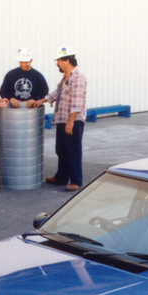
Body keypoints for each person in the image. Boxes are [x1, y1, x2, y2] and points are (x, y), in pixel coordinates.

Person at [28, 46, 87, 191]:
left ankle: (76, 181)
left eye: (59, 61)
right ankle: (61, 177)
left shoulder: (78, 78)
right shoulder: (66, 77)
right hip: (62, 119)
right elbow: (57, 93)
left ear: (67, 60)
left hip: (72, 120)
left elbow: (77, 102)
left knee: (73, 150)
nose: (57, 64)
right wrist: (42, 100)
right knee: (61, 150)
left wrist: (71, 121)